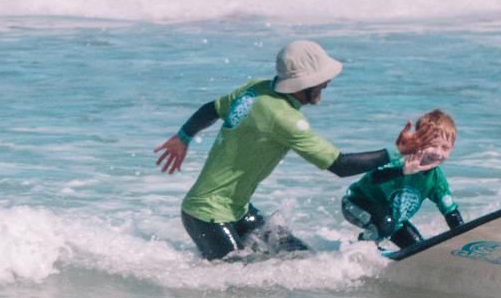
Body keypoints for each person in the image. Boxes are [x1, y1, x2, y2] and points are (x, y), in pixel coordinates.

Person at [155, 40, 442, 260]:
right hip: (206, 215)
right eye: (322, 80)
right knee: (237, 284)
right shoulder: (285, 119)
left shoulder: (256, 88)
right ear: (303, 84)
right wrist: (397, 151)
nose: (327, 84)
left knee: (301, 260)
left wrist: (183, 136)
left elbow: (212, 108)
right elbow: (338, 165)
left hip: (236, 209)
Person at [341, 109, 464, 250]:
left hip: (393, 222)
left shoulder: (436, 178)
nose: (438, 152)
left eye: (445, 148)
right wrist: (402, 171)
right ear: (419, 141)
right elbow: (375, 177)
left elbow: (450, 212)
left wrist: (465, 243)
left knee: (419, 251)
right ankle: (361, 249)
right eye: (433, 145)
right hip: (355, 204)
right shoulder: (401, 162)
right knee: (386, 223)